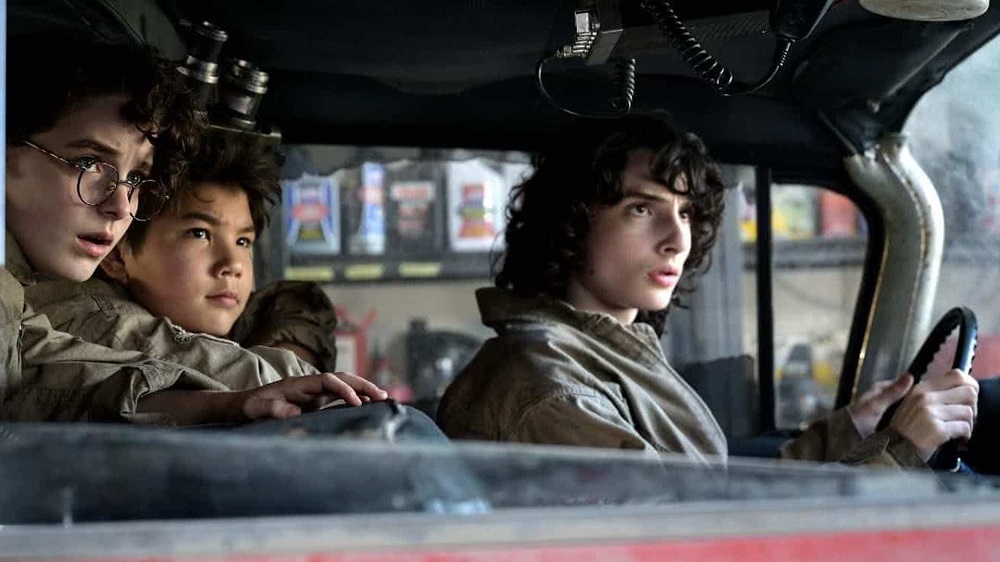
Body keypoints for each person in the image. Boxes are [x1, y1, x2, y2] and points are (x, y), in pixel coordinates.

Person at [436, 115, 979, 468]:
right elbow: (709, 546)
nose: (677, 240)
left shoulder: (596, 353)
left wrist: (851, 431)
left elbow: (715, 498)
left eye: (685, 213)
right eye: (641, 209)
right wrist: (901, 452)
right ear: (570, 224)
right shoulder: (552, 391)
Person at [3, 32, 384, 424]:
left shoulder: (18, 302)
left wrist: (236, 401)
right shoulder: (69, 305)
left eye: (136, 179)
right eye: (87, 163)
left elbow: (54, 386)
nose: (121, 206)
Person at [26, 127, 341, 391]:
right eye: (199, 233)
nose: (232, 264)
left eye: (243, 241)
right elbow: (162, 347)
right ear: (117, 256)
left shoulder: (220, 316)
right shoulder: (91, 317)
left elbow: (297, 310)